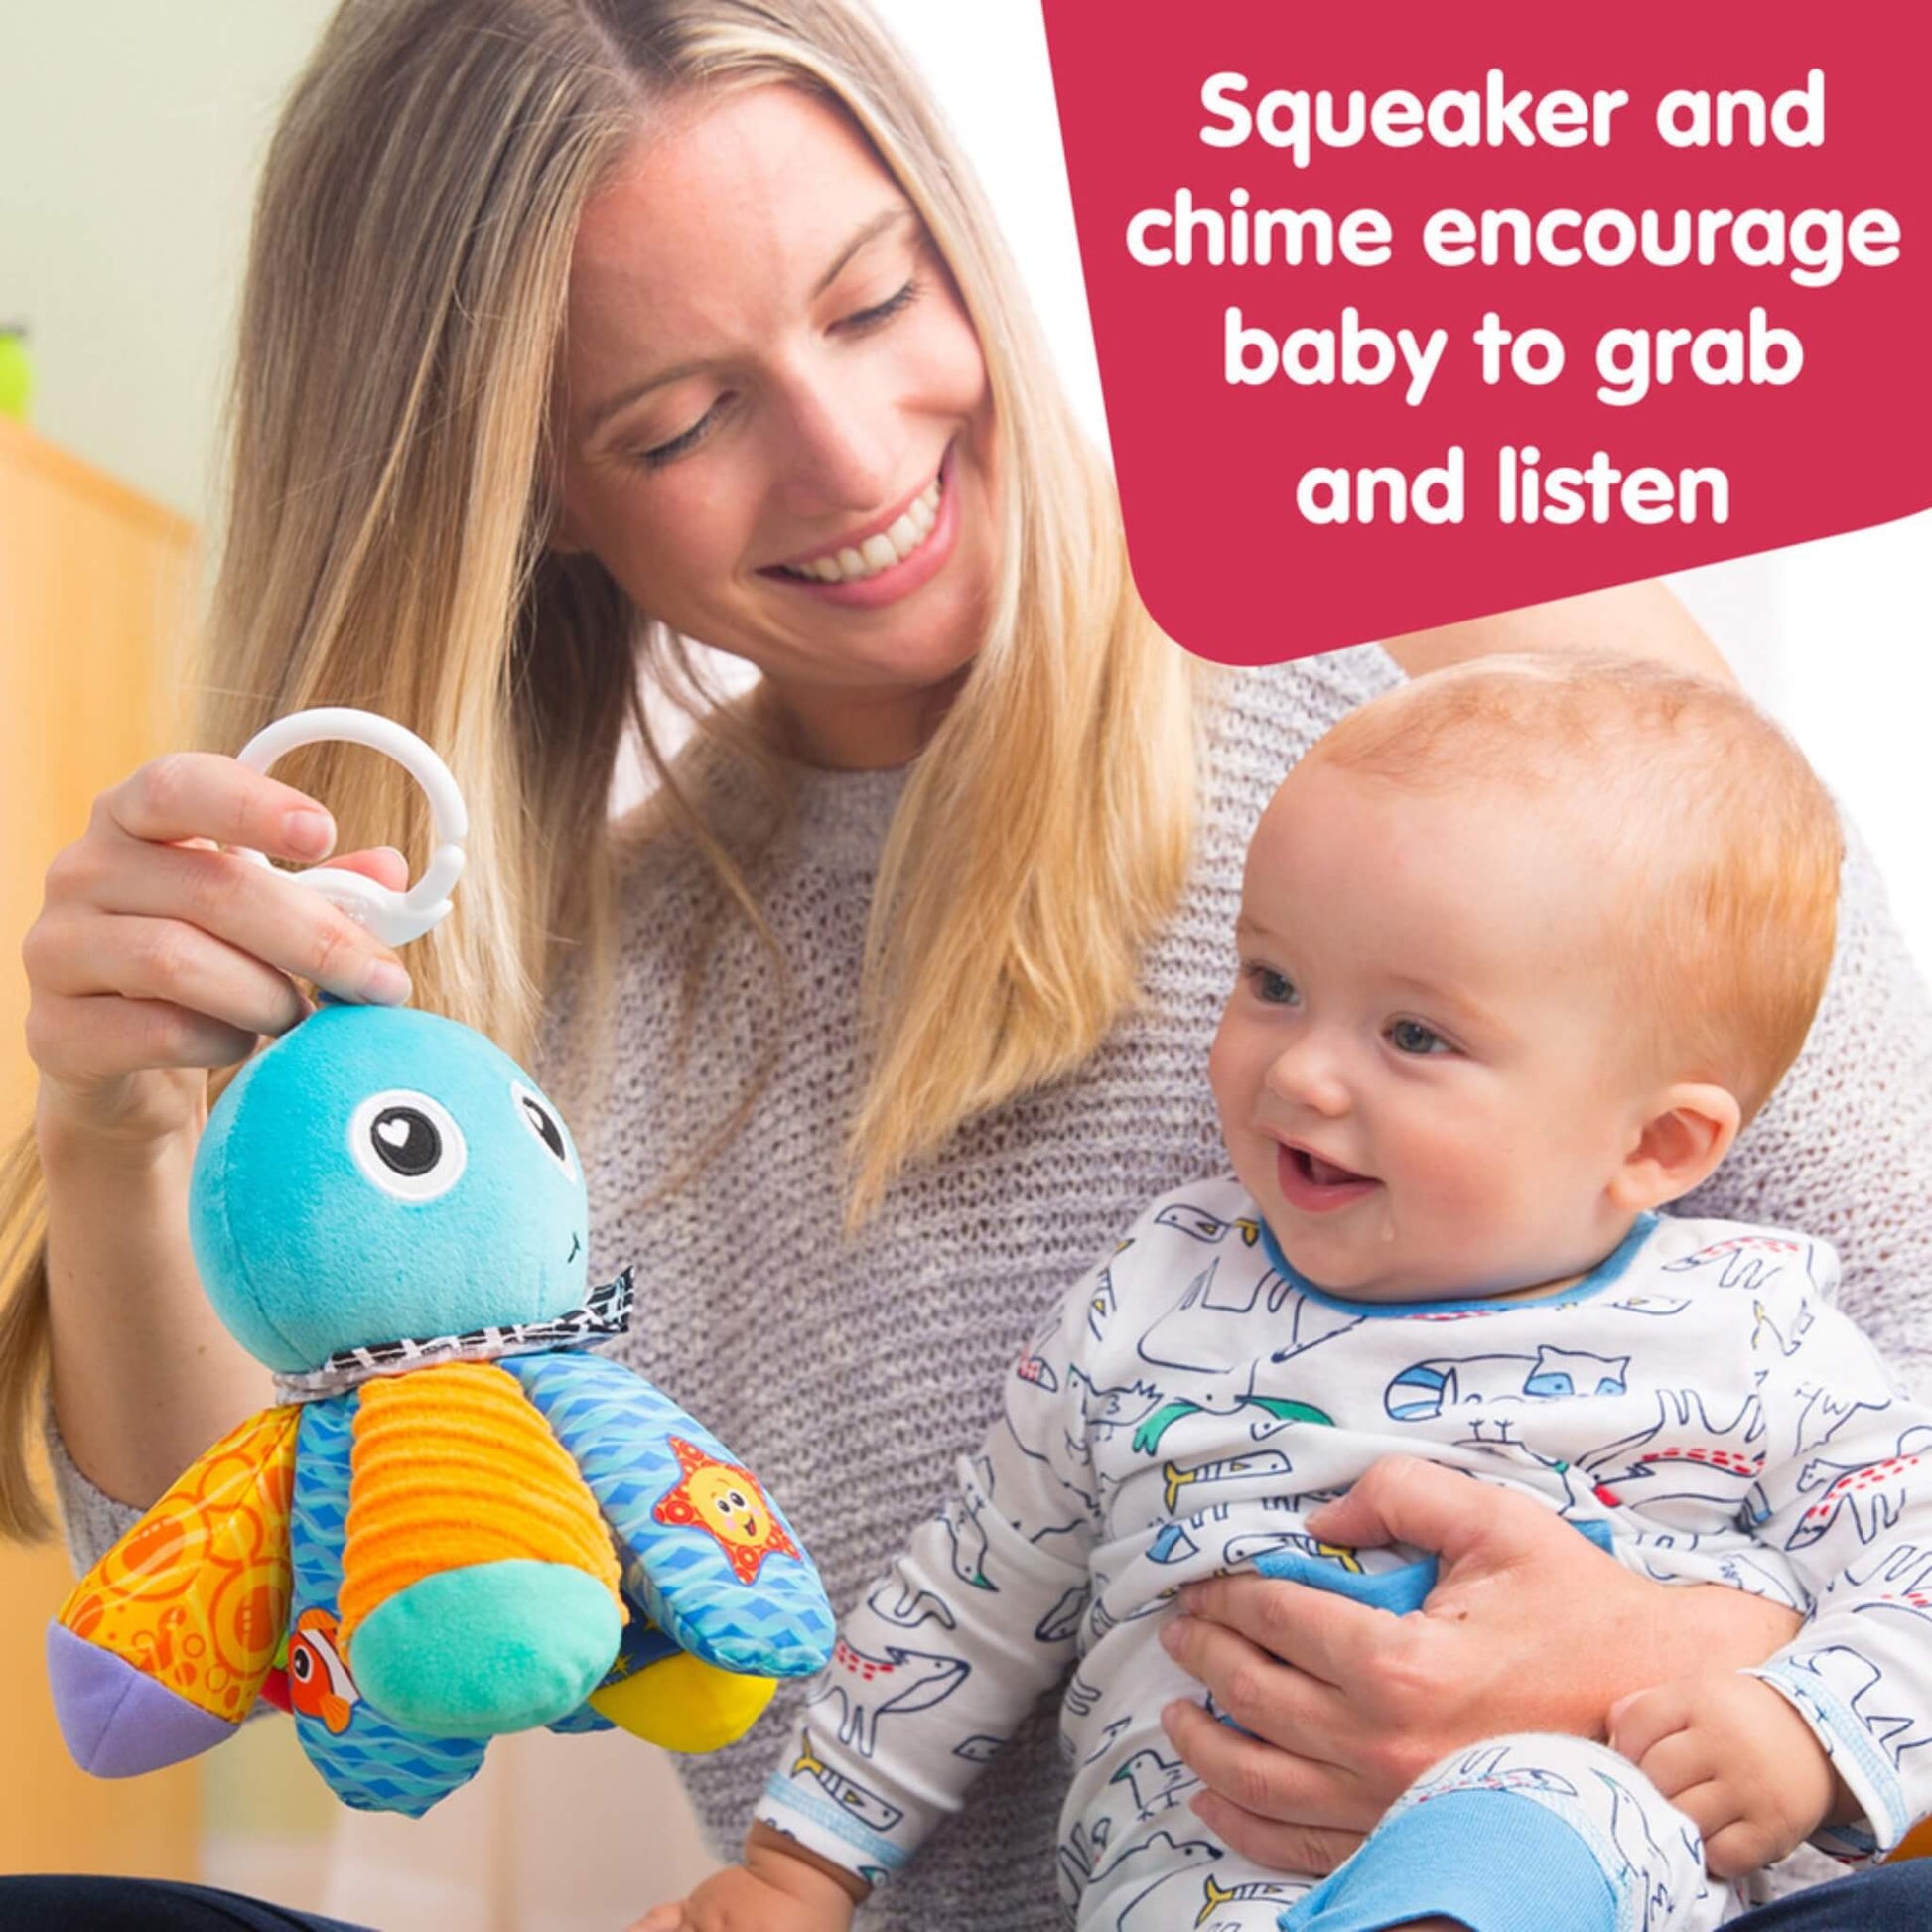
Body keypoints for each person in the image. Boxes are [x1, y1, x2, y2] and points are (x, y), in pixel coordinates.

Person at [0, 4, 1925, 1929]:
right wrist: (119, 1128)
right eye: (676, 422)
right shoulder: (541, 1024)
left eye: (871, 303)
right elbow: (247, 1609)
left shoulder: (1464, 675)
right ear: (529, 501)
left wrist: (1677, 1673)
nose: (851, 461)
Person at [651, 659, 1932, 1932]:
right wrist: (798, 1867)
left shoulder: (1754, 1336)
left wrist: (1805, 1729)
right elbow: (967, 1602)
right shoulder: (1153, 1299)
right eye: (1271, 983)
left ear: (1654, 1148)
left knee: (1548, 1798)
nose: (1302, 1072)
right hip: (1194, 1887)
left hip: (1570, 1856)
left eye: (1415, 1036)